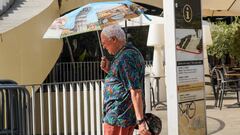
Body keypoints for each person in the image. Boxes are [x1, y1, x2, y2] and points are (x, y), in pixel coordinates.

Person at [100, 25, 151, 135]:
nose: (104, 47)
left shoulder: (125, 58)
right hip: (121, 116)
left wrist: (141, 123)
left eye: (104, 43)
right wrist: (108, 69)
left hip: (118, 117)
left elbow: (135, 91)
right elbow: (124, 80)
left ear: (114, 39)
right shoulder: (130, 52)